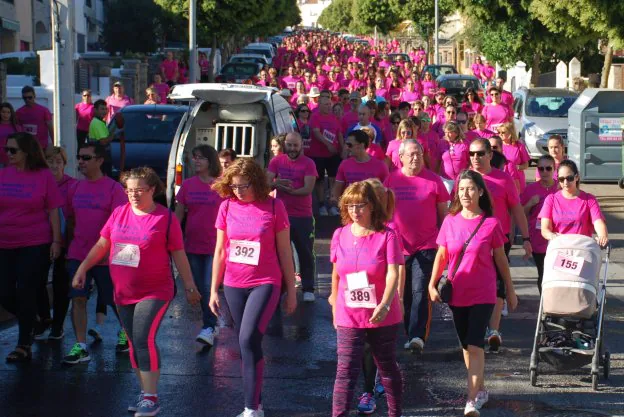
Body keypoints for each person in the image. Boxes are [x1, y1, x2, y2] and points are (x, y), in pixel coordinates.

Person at [72, 167, 199, 416]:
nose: (133, 194)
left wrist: (190, 286)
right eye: (129, 190)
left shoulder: (165, 218)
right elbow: (102, 244)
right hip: (123, 289)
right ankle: (144, 393)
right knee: (132, 341)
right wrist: (83, 268)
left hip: (155, 290)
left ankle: (151, 397)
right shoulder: (119, 213)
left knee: (143, 338)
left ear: (153, 189)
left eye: (139, 190)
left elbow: (179, 255)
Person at [209, 158, 297, 417]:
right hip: (233, 283)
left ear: (257, 182)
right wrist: (214, 289)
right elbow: (220, 252)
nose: (239, 191)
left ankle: (250, 408)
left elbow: (284, 251)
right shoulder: (226, 207)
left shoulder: (274, 206)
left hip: (265, 282)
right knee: (248, 342)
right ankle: (255, 403)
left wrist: (291, 291)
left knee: (247, 338)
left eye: (244, 186)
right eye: (234, 186)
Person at [429, 170, 518, 417]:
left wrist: (510, 290)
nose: (465, 193)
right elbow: (442, 255)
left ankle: (470, 400)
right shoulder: (450, 221)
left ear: (480, 191)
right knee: (467, 347)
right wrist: (431, 283)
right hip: (457, 292)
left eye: (470, 188)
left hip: (484, 292)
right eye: (461, 189)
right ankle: (480, 388)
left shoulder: (491, 223)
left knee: (476, 344)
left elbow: (501, 260)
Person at [329, 180, 404, 417]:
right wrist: (334, 305)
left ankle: (395, 413)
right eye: (350, 205)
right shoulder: (339, 234)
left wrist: (385, 303)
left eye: (360, 205)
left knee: (387, 367)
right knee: (345, 370)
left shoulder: (388, 236)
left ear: (372, 205)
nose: (355, 211)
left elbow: (393, 271)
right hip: (349, 313)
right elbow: (336, 274)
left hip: (381, 313)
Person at [62, 143, 129, 364]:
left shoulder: (113, 189)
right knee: (77, 298)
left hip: (107, 258)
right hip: (78, 254)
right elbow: (70, 220)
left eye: (86, 158)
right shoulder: (75, 188)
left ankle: (126, 333)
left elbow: (122, 225)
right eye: (79, 157)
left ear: (100, 160)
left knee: (114, 300)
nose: (80, 161)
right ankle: (81, 345)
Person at [0, 132, 62, 362]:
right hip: (5, 242)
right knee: (5, 293)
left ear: (26, 152)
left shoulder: (43, 176)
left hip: (35, 243)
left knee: (26, 290)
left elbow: (54, 210)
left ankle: (23, 343)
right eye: (6, 149)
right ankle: (33, 322)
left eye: (12, 150)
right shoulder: (3, 174)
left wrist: (56, 241)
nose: (8, 153)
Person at [384, 139, 450, 353]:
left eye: (419, 154)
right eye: (411, 154)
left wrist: (446, 245)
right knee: (403, 293)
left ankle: (417, 337)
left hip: (427, 245)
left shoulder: (434, 181)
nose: (415, 157)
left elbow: (443, 216)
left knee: (420, 291)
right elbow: (383, 213)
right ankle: (408, 330)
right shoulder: (391, 180)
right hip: (398, 247)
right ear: (400, 157)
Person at [468, 139, 532, 352]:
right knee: (473, 283)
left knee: (497, 283)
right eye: (472, 154)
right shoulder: (465, 179)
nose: (475, 158)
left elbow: (517, 209)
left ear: (489, 155)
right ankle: (475, 327)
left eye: (480, 154)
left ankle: (493, 330)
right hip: (471, 240)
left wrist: (526, 238)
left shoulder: (504, 179)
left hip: (499, 239)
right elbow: (455, 210)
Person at [175, 145, 223, 346]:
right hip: (192, 245)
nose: (196, 161)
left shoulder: (222, 186)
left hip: (215, 245)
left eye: (200, 158)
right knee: (197, 287)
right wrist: (172, 239)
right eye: (194, 158)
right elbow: (178, 215)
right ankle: (212, 321)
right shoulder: (187, 185)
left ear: (210, 161)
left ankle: (209, 326)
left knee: (206, 285)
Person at [267, 132, 318, 302]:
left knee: (305, 252)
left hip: (302, 215)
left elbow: (308, 188)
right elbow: (266, 183)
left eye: (295, 145)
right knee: (280, 252)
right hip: (281, 215)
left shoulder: (309, 163)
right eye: (289, 145)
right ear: (285, 145)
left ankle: (308, 288)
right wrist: (276, 183)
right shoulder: (276, 161)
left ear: (301, 145)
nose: (292, 149)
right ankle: (281, 286)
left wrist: (290, 191)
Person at [41, 146, 77, 340]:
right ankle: (45, 318)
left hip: (64, 241)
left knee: (60, 284)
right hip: (39, 239)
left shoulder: (72, 185)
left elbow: (74, 217)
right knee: (37, 282)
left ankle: (57, 325)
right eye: (50, 161)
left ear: (64, 164)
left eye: (58, 161)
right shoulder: (40, 183)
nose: (54, 165)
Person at [539, 159, 608, 248]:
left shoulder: (589, 199)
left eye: (569, 178)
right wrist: (553, 236)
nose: (565, 182)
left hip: (582, 250)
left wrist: (602, 236)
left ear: (577, 177)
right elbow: (545, 229)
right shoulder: (551, 199)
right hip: (559, 249)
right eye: (561, 179)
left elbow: (598, 222)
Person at [521, 155, 558, 292]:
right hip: (537, 237)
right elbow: (521, 214)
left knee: (556, 272)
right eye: (541, 169)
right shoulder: (530, 189)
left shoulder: (560, 188)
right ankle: (545, 305)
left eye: (548, 168)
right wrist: (530, 204)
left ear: (554, 169)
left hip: (556, 236)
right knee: (543, 273)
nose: (544, 172)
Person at [332, 130, 389, 204]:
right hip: (350, 211)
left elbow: (387, 191)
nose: (346, 148)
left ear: (361, 145)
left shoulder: (380, 166)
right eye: (346, 144)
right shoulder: (344, 164)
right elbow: (337, 191)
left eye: (350, 145)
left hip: (373, 212)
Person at [308, 96, 342, 216]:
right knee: (320, 180)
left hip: (333, 154)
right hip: (318, 154)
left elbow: (339, 134)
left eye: (329, 104)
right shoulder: (315, 117)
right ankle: (322, 205)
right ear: (319, 105)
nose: (328, 106)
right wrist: (328, 145)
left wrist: (341, 149)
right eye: (326, 104)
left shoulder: (334, 118)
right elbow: (316, 133)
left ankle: (332, 205)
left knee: (333, 179)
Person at [16, 86, 53, 150]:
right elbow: (17, 131)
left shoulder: (44, 110)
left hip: (41, 146)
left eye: (30, 97)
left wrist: (54, 144)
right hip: (25, 147)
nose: (27, 100)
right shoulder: (19, 112)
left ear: (34, 96)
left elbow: (51, 128)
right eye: (25, 98)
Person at [88, 99, 118, 177]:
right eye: (102, 109)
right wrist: (114, 134)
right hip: (101, 158)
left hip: (101, 158)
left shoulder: (100, 122)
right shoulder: (97, 123)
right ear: (95, 110)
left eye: (105, 109)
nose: (104, 111)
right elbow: (103, 141)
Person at [498, 123, 529, 191]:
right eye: (498, 132)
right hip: (502, 179)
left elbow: (526, 165)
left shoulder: (519, 146)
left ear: (510, 133)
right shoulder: (498, 146)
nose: (500, 134)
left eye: (503, 132)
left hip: (517, 179)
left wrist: (515, 167)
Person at [0, 102, 22, 168]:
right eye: (3, 112)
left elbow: (21, 144)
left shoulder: (17, 127)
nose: (5, 114)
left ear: (11, 113)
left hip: (12, 160)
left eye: (8, 112)